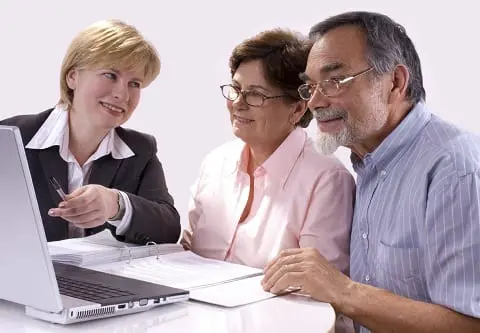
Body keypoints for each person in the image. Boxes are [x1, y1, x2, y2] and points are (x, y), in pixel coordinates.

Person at [262, 11, 480, 333]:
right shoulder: (365, 159)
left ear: (395, 82)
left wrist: (342, 289)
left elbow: (470, 324)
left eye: (335, 80)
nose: (315, 102)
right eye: (310, 87)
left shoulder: (455, 169)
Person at [181, 28, 355, 274]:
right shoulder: (216, 162)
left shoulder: (327, 180)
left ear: (296, 109)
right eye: (235, 89)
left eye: (255, 95)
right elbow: (188, 252)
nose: (238, 104)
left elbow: (319, 288)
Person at [0, 19, 180, 245]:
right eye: (110, 75)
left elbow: (169, 230)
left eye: (134, 83)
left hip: (100, 281)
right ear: (72, 76)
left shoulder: (140, 150)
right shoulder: (11, 137)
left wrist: (116, 205)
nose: (122, 95)